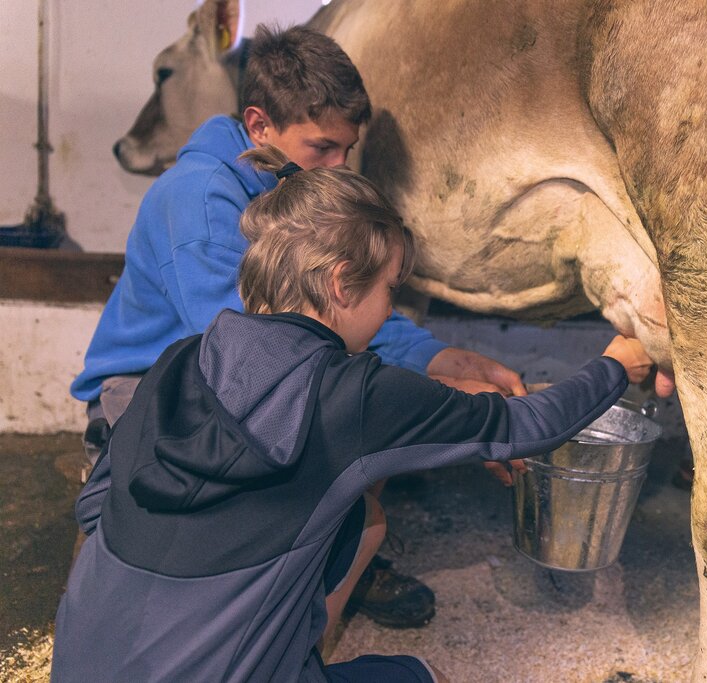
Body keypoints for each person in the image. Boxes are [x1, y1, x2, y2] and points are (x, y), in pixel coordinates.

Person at [51, 145, 655, 682]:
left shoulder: (181, 360)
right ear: (342, 284)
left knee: (358, 519)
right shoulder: (354, 395)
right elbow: (529, 427)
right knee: (428, 675)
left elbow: (94, 507)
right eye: (392, 290)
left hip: (82, 663)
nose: (393, 308)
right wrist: (614, 366)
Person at [70, 24, 529, 629]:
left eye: (346, 149)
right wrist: (437, 402)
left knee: (351, 434)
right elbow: (261, 348)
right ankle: (290, 605)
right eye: (321, 148)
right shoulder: (201, 199)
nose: (337, 166)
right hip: (144, 390)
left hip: (221, 372)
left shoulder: (288, 188)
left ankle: (326, 564)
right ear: (259, 125)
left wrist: (436, 358)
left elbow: (335, 310)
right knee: (337, 424)